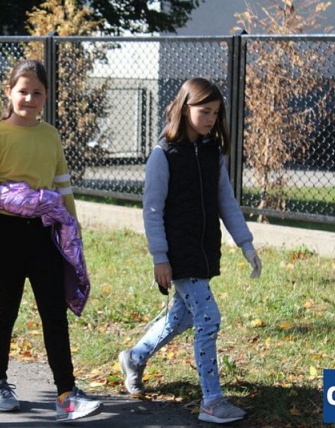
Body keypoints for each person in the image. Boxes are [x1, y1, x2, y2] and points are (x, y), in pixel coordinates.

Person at [118, 77, 262, 424]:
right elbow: (152, 210)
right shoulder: (163, 155)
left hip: (204, 250)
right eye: (204, 111)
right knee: (208, 318)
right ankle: (212, 400)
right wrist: (160, 257)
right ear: (185, 109)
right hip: (178, 253)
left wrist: (245, 243)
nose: (211, 118)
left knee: (182, 317)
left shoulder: (213, 152)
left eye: (215, 112)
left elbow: (226, 201)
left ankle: (134, 357)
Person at [0, 59, 103, 423]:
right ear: (9, 92)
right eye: (22, 91)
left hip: (44, 233)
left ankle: (66, 394)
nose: (29, 99)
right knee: (6, 311)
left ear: (46, 96)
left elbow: (62, 186)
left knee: (54, 313)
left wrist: (72, 229)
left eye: (37, 92)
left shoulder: (50, 136)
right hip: (5, 234)